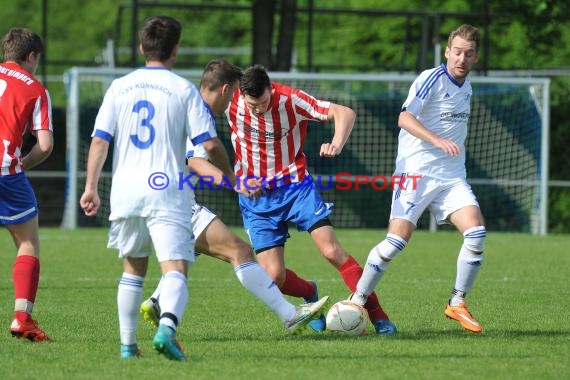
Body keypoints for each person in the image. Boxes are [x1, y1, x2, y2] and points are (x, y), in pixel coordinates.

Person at [79, 16, 237, 361]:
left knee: (133, 269)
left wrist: (90, 186)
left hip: (125, 190)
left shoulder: (119, 86)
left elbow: (99, 142)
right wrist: (230, 176)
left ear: (141, 47)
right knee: (175, 269)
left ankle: (127, 347)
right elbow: (209, 146)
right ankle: (167, 328)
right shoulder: (183, 90)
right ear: (175, 50)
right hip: (166, 191)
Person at [140, 59, 328, 334]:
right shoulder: (198, 112)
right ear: (226, 89)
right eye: (232, 96)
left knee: (189, 249)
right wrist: (235, 181)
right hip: (171, 201)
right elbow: (196, 161)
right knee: (239, 251)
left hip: (141, 193)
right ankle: (289, 315)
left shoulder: (176, 101)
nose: (233, 103)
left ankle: (156, 303)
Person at [224, 64, 396, 335]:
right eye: (252, 105)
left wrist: (337, 142)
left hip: (295, 188)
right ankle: (309, 292)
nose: (258, 109)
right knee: (273, 277)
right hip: (256, 199)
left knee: (331, 251)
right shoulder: (230, 101)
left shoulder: (291, 99)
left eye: (264, 102)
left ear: (271, 89)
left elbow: (344, 112)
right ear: (241, 95)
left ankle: (378, 315)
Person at [351, 24, 486, 334]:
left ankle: (457, 302)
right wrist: (437, 140)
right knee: (396, 241)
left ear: (475, 57)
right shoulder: (431, 79)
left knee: (476, 233)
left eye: (468, 54)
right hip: (415, 172)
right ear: (447, 52)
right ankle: (358, 299)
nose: (461, 59)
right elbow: (404, 117)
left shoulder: (467, 87)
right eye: (457, 52)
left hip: (452, 177)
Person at [0, 27, 53, 343]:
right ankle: (22, 318)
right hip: (7, 171)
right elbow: (44, 146)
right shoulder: (35, 89)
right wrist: (22, 163)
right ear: (31, 56)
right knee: (27, 242)